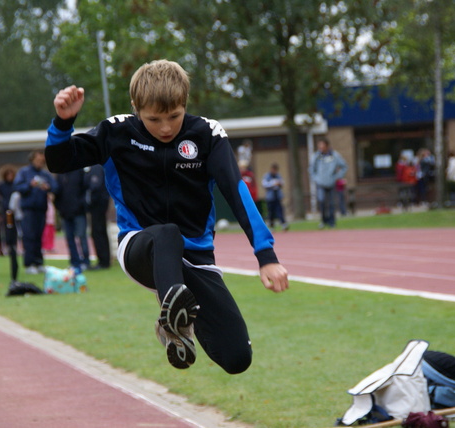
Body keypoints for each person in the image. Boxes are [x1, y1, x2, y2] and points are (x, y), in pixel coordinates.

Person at [45, 59, 288, 373]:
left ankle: (173, 319)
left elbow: (236, 191)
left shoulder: (207, 135)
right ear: (136, 107)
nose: (165, 128)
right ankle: (176, 323)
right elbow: (59, 161)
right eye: (153, 119)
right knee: (167, 233)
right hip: (141, 248)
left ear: (185, 104)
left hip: (196, 258)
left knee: (237, 358)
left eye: (174, 116)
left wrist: (266, 255)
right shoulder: (115, 132)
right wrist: (63, 123)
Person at [13, 150, 57, 274]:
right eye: (38, 160)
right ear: (32, 159)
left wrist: (48, 187)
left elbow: (55, 186)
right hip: (28, 210)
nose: (40, 163)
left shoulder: (45, 174)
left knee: (39, 237)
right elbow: (17, 187)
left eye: (42, 161)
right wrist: (30, 185)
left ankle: (38, 263)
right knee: (29, 237)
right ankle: (29, 264)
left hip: (41, 209)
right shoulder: (24, 173)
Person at [54, 168, 91, 272]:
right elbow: (57, 191)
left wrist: (81, 205)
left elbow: (85, 188)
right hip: (65, 212)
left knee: (81, 236)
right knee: (69, 238)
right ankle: (74, 262)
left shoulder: (79, 171)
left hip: (78, 211)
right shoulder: (60, 174)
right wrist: (59, 207)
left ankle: (85, 261)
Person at [309, 138, 347, 228]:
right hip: (320, 183)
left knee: (331, 203)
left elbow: (344, 166)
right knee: (321, 201)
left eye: (322, 145)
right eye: (319, 146)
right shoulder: (316, 156)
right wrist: (316, 178)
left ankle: (332, 221)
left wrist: (337, 177)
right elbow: (311, 169)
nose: (320, 147)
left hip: (331, 183)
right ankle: (323, 220)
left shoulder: (335, 155)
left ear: (327, 146)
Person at [85, 165, 111, 270]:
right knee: (99, 232)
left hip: (98, 205)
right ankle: (104, 260)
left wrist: (88, 200)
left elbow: (95, 185)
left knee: (98, 232)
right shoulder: (98, 168)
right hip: (99, 205)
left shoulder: (96, 168)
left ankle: (103, 261)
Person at [261, 163, 289, 231]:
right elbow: (264, 184)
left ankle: (283, 224)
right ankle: (271, 226)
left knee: (280, 210)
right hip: (270, 197)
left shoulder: (278, 175)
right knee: (271, 212)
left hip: (277, 196)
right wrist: (273, 183)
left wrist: (279, 183)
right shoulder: (267, 176)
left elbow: (282, 182)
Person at [0, 165, 17, 249]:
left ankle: (15, 244)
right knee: (9, 227)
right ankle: (9, 245)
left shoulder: (15, 184)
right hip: (7, 210)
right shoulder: (1, 186)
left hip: (16, 210)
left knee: (16, 228)